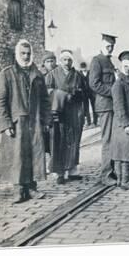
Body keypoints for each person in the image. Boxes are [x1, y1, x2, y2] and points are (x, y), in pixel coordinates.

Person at [0, 40, 51, 203]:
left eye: (28, 53)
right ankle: (18, 189)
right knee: (18, 156)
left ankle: (32, 188)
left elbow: (45, 100)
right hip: (17, 121)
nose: (26, 56)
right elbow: (0, 101)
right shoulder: (7, 74)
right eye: (23, 53)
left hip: (34, 121)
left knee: (34, 153)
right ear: (17, 54)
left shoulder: (38, 74)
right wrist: (6, 124)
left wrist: (46, 120)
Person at [45, 49, 85, 184]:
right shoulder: (52, 75)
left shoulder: (78, 75)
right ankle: (59, 172)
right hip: (59, 113)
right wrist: (61, 95)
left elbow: (84, 92)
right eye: (64, 60)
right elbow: (47, 92)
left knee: (73, 141)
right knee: (58, 142)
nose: (67, 63)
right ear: (60, 61)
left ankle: (72, 170)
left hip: (73, 112)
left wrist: (77, 93)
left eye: (69, 60)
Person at [110, 51, 129, 190]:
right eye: (126, 66)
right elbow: (119, 106)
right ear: (121, 67)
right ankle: (125, 180)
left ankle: (121, 180)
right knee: (125, 151)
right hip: (123, 123)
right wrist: (126, 124)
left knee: (123, 151)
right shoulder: (118, 84)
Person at [89, 33, 117, 185]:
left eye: (112, 46)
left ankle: (112, 172)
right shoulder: (97, 61)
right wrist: (113, 91)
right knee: (107, 140)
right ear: (101, 45)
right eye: (107, 46)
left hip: (112, 106)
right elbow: (94, 84)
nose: (110, 48)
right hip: (105, 106)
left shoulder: (109, 62)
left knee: (113, 139)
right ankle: (105, 175)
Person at [79, 61, 97, 126]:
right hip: (84, 93)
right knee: (86, 108)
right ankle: (89, 122)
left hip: (91, 92)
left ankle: (95, 121)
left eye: (84, 67)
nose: (84, 69)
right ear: (81, 68)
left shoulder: (90, 72)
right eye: (82, 68)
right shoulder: (79, 74)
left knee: (94, 106)